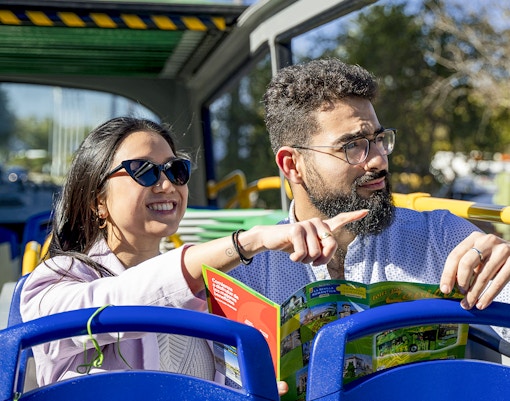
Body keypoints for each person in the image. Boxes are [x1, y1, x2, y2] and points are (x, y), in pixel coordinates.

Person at [20, 116, 368, 387]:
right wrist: (248, 241)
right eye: (143, 171)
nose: (167, 184)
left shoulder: (211, 293)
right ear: (98, 200)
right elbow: (113, 302)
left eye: (176, 169)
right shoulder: (54, 282)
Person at [229, 58, 510, 317]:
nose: (379, 160)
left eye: (378, 139)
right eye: (352, 145)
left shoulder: (443, 238)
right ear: (292, 165)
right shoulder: (248, 271)